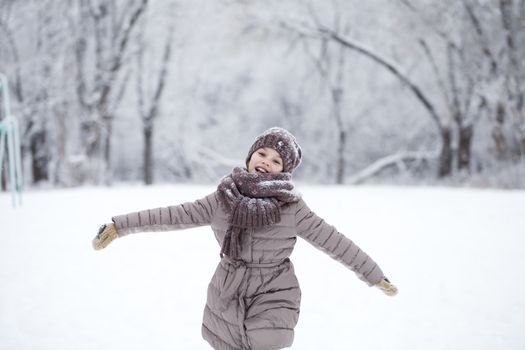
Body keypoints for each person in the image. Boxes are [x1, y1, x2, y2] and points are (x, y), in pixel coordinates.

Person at [92, 127, 398, 350]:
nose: (266, 161)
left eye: (276, 160)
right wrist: (120, 226)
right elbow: (173, 215)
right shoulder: (223, 198)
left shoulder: (292, 207)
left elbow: (334, 241)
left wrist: (373, 275)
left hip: (274, 288)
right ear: (250, 156)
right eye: (262, 153)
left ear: (285, 171)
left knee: (265, 340)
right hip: (229, 286)